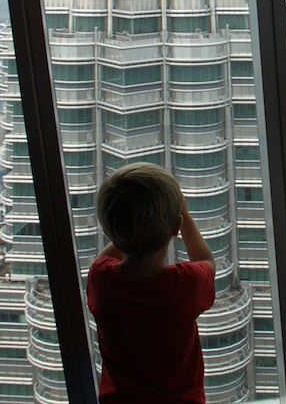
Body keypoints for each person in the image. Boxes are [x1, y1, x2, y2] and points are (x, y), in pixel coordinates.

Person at [87, 162, 216, 403]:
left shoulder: (102, 278)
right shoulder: (182, 284)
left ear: (108, 230)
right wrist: (185, 216)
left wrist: (127, 225)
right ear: (175, 227)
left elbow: (107, 255)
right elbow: (206, 260)